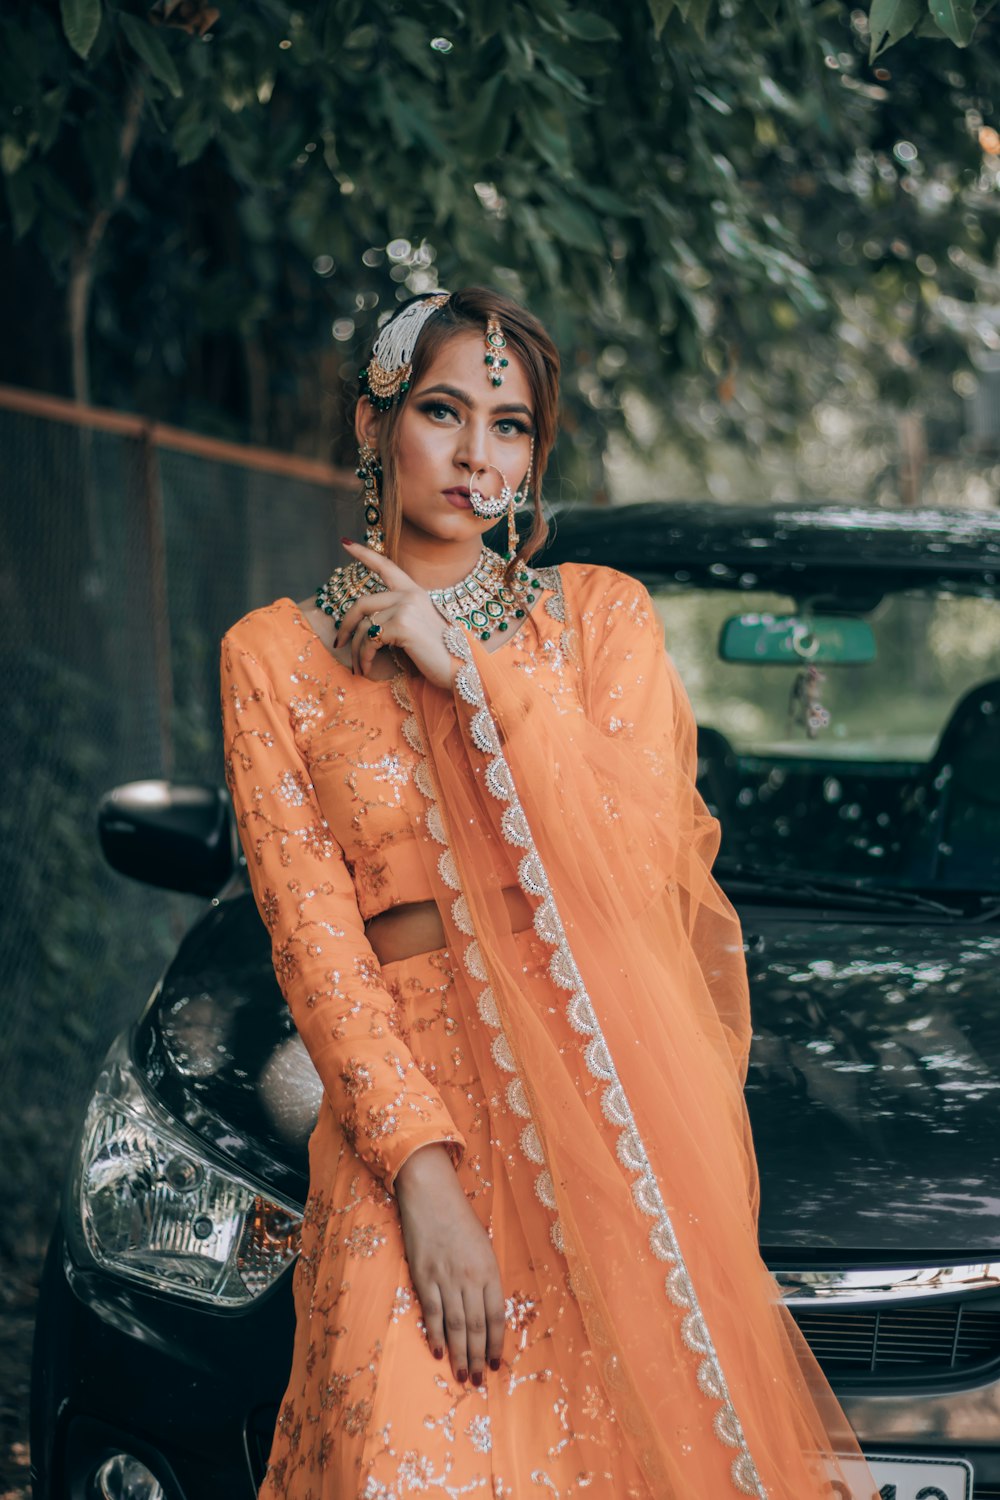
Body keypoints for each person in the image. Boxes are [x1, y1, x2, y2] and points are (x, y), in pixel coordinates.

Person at [220, 287, 878, 1500]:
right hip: (400, 1114)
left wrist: (460, 664)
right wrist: (421, 1172)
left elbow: (635, 855)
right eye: (442, 411)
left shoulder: (596, 623)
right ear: (374, 427)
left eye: (510, 424)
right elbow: (312, 941)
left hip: (596, 1098)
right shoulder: (275, 657)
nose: (478, 456)